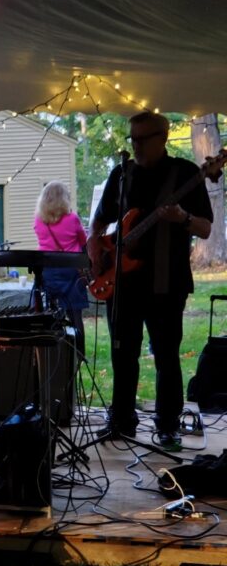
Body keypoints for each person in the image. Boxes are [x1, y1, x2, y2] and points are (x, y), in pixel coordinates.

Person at [86, 112, 212, 451]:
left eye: (143, 139)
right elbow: (97, 225)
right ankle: (122, 420)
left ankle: (168, 425)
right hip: (123, 285)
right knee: (121, 354)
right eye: (133, 139)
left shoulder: (185, 174)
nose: (136, 146)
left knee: (167, 356)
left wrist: (182, 217)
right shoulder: (122, 174)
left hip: (166, 284)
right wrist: (96, 249)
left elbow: (205, 228)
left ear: (164, 137)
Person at [33, 181, 88, 358]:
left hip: (49, 269)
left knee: (52, 315)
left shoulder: (39, 220)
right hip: (71, 270)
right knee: (75, 316)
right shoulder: (72, 219)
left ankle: (56, 355)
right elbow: (83, 241)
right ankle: (79, 355)